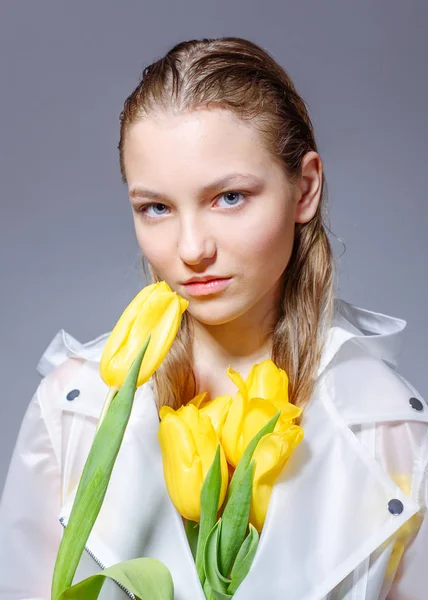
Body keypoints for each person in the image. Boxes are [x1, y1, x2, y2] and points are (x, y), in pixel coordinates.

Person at [0, 36, 427, 600]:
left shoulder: (392, 432)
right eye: (156, 208)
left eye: (228, 198)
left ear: (305, 189)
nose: (192, 247)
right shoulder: (71, 411)